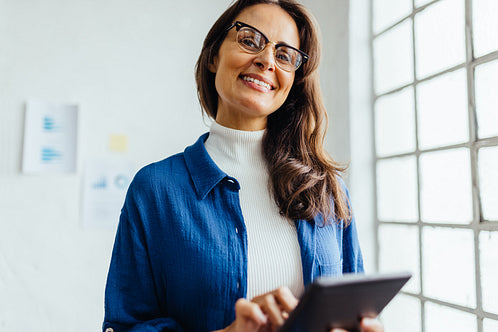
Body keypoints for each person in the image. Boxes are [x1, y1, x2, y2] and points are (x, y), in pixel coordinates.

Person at [103, 0, 384, 331]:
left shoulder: (327, 190)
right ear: (213, 56)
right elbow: (124, 326)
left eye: (284, 55)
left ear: (293, 81)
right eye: (250, 40)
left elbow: (355, 313)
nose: (266, 60)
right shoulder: (155, 190)